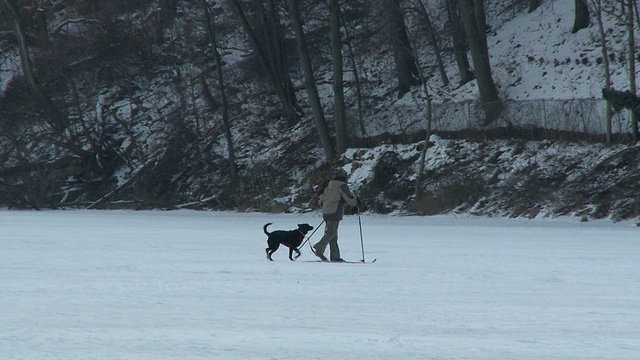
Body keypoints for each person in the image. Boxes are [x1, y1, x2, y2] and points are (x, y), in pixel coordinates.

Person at [313, 168, 358, 262]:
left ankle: (335, 256)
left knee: (333, 235)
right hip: (335, 212)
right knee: (331, 233)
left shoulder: (328, 185)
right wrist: (356, 201)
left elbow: (320, 201)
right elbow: (350, 200)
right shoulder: (342, 186)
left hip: (326, 212)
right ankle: (319, 248)